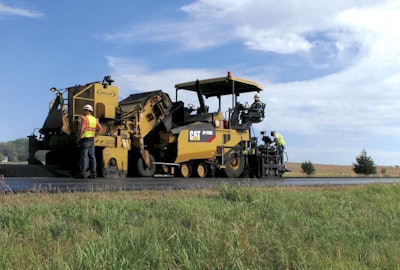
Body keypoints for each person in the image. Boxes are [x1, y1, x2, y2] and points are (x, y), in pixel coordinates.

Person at [77, 104, 102, 179]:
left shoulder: (84, 118)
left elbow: (81, 129)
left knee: (84, 157)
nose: (83, 111)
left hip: (85, 139)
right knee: (92, 157)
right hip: (91, 139)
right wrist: (95, 136)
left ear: (87, 111)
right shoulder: (95, 119)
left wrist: (78, 138)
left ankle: (83, 173)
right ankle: (94, 174)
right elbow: (100, 129)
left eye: (84, 110)